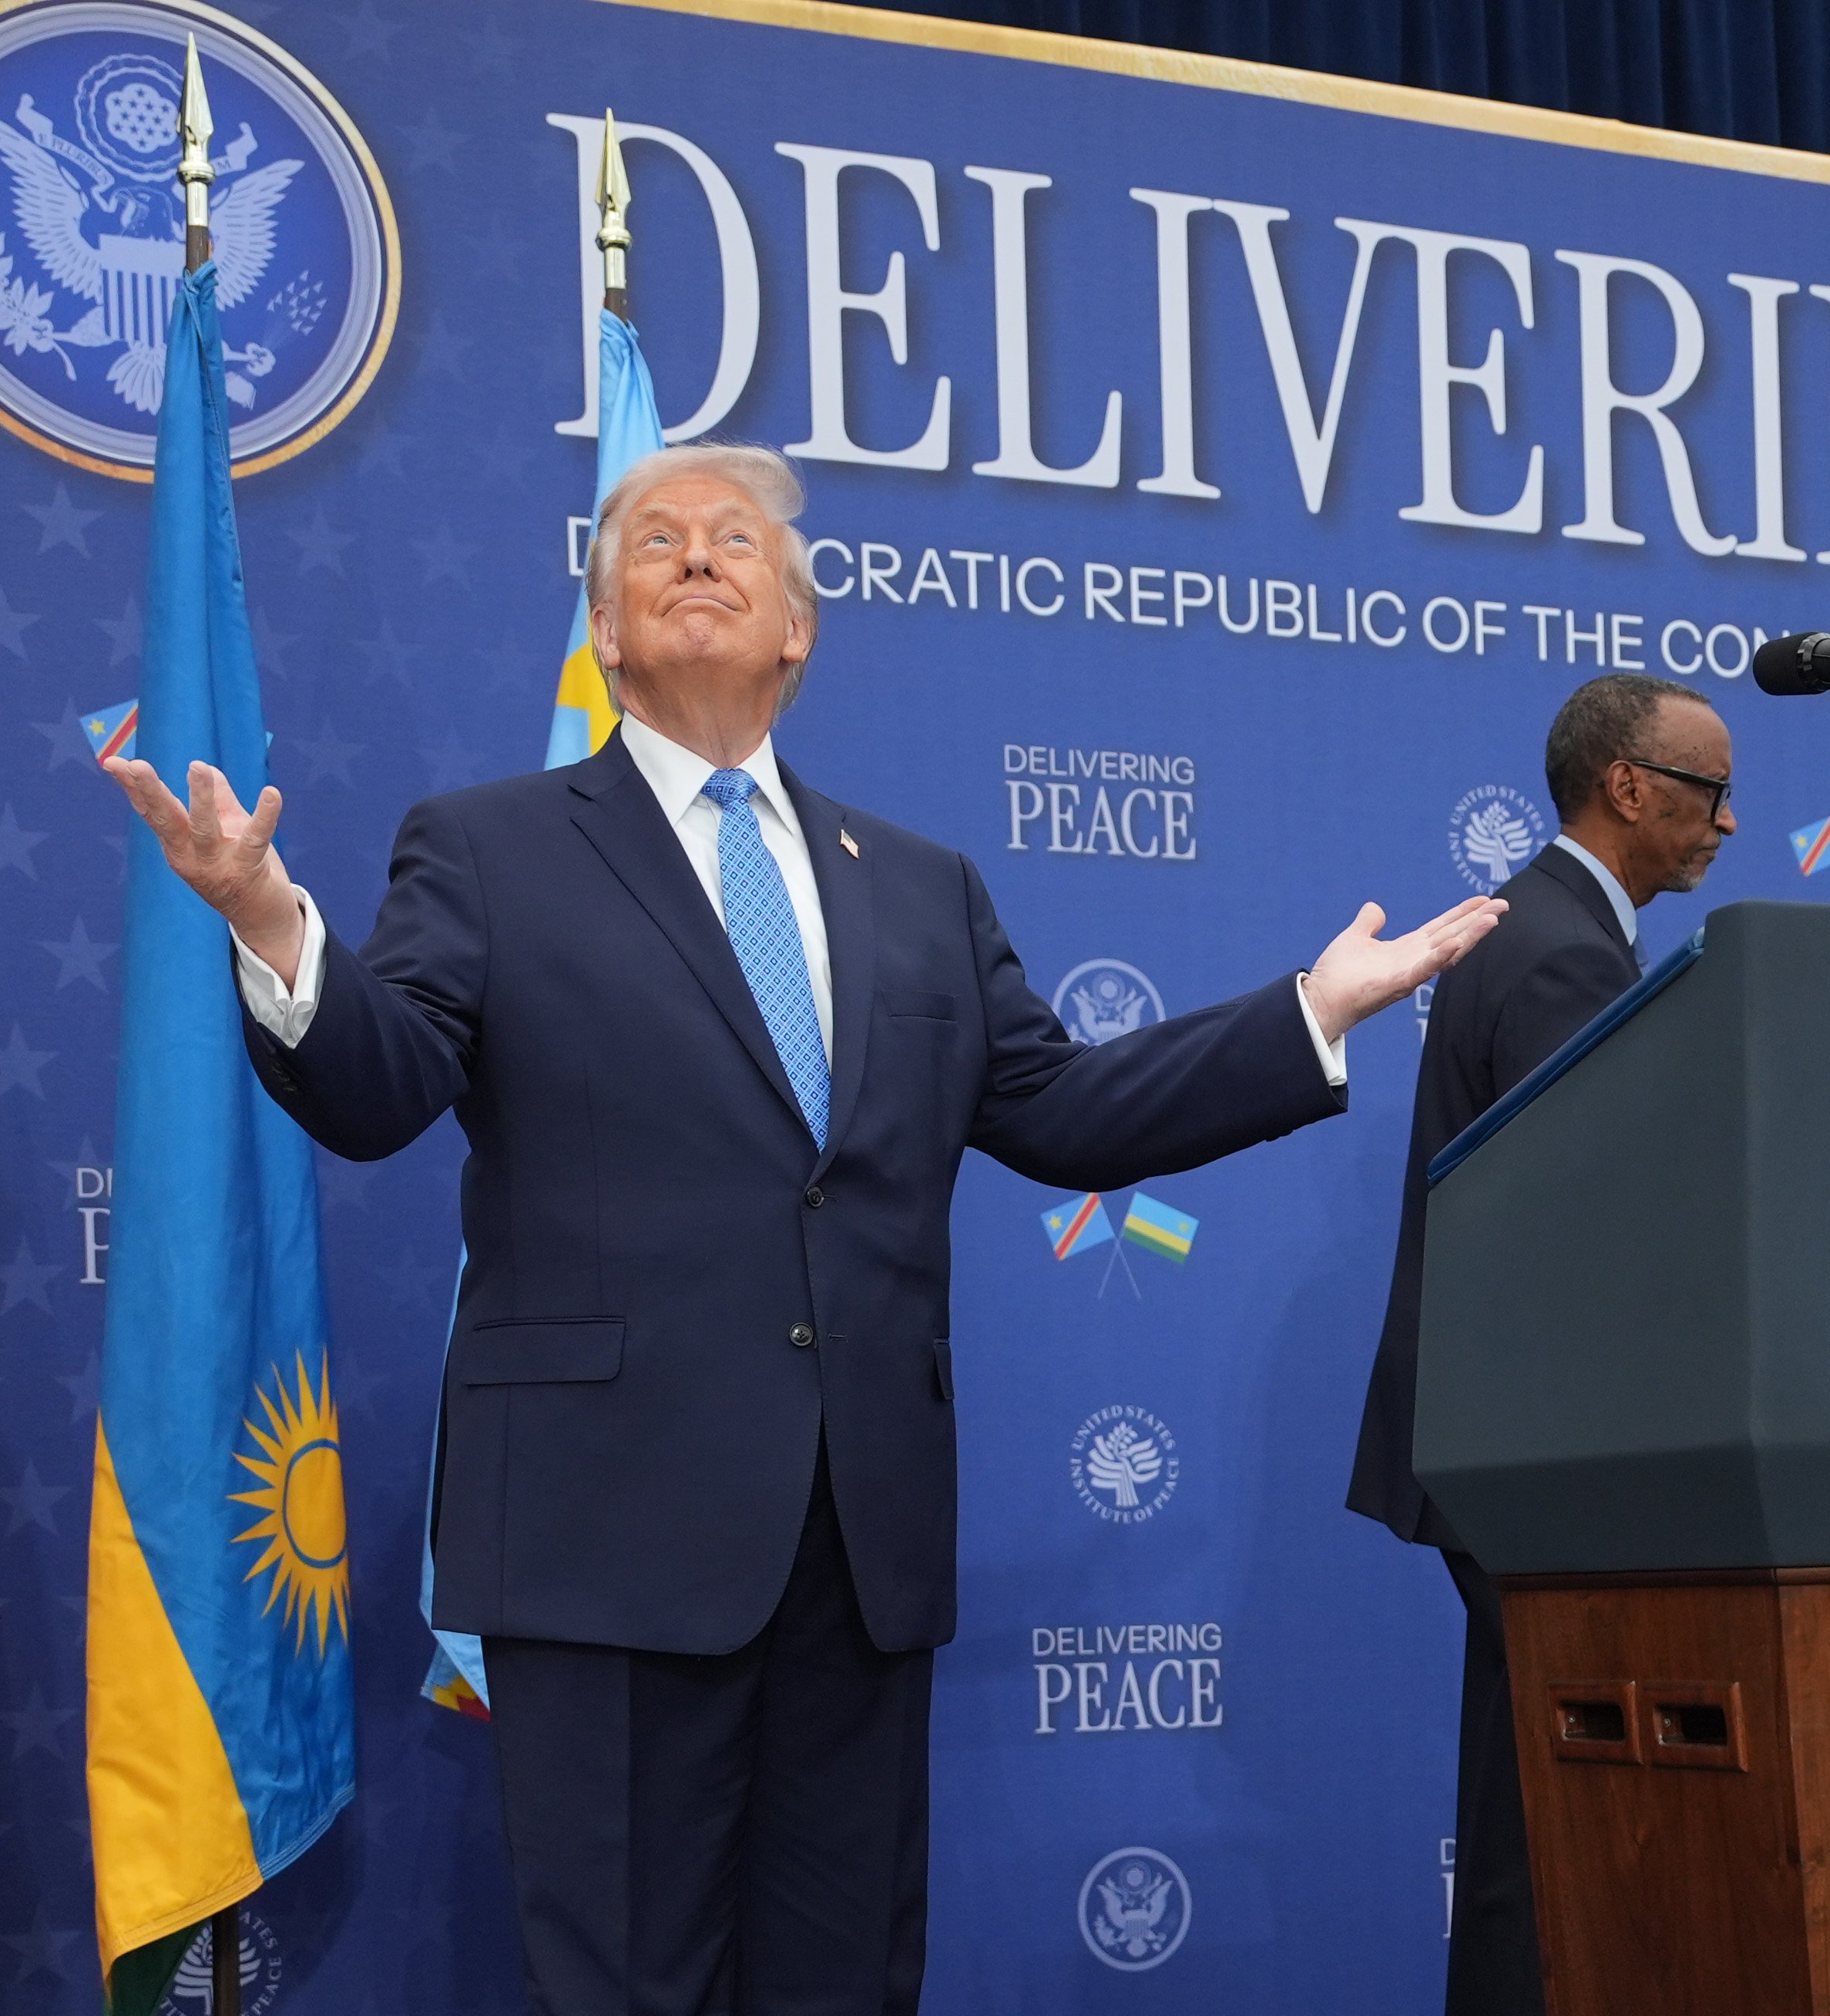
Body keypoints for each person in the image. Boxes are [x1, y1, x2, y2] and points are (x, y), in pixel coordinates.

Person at [109, 441, 1504, 2016]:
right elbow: (381, 1085)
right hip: (608, 1538)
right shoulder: (488, 845)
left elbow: (1060, 1113)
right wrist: (268, 920)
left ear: (799, 631)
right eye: (653, 545)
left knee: (843, 1985)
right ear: (608, 635)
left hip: (860, 1539)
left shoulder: (920, 884)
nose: (695, 557)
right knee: (632, 1983)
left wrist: (1311, 1011)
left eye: (734, 544)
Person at [1347, 670, 1734, 2015]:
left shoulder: (1548, 923)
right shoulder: (1567, 948)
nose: (1728, 824)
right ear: (1628, 788)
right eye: (1708, 793)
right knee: (1545, 1827)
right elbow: (1588, 1226)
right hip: (1540, 1457)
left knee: (1526, 1817)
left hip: (1508, 1450)